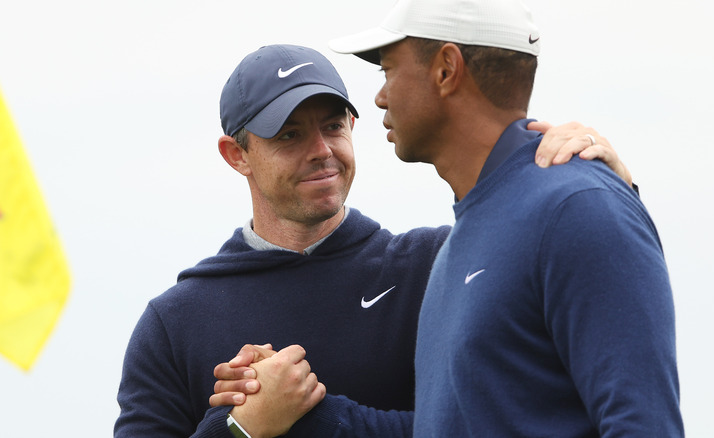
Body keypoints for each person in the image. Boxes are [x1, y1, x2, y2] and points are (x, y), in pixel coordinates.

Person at [212, 0, 684, 436]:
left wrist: (610, 200)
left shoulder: (577, 207)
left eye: (389, 69)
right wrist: (298, 414)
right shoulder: (469, 236)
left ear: (445, 70)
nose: (378, 97)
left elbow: (642, 424)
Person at [114, 44, 632, 438]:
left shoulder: (442, 264)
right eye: (289, 135)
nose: (322, 150)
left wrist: (611, 186)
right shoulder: (174, 323)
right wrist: (241, 426)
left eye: (333, 126)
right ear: (236, 154)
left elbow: (513, 418)